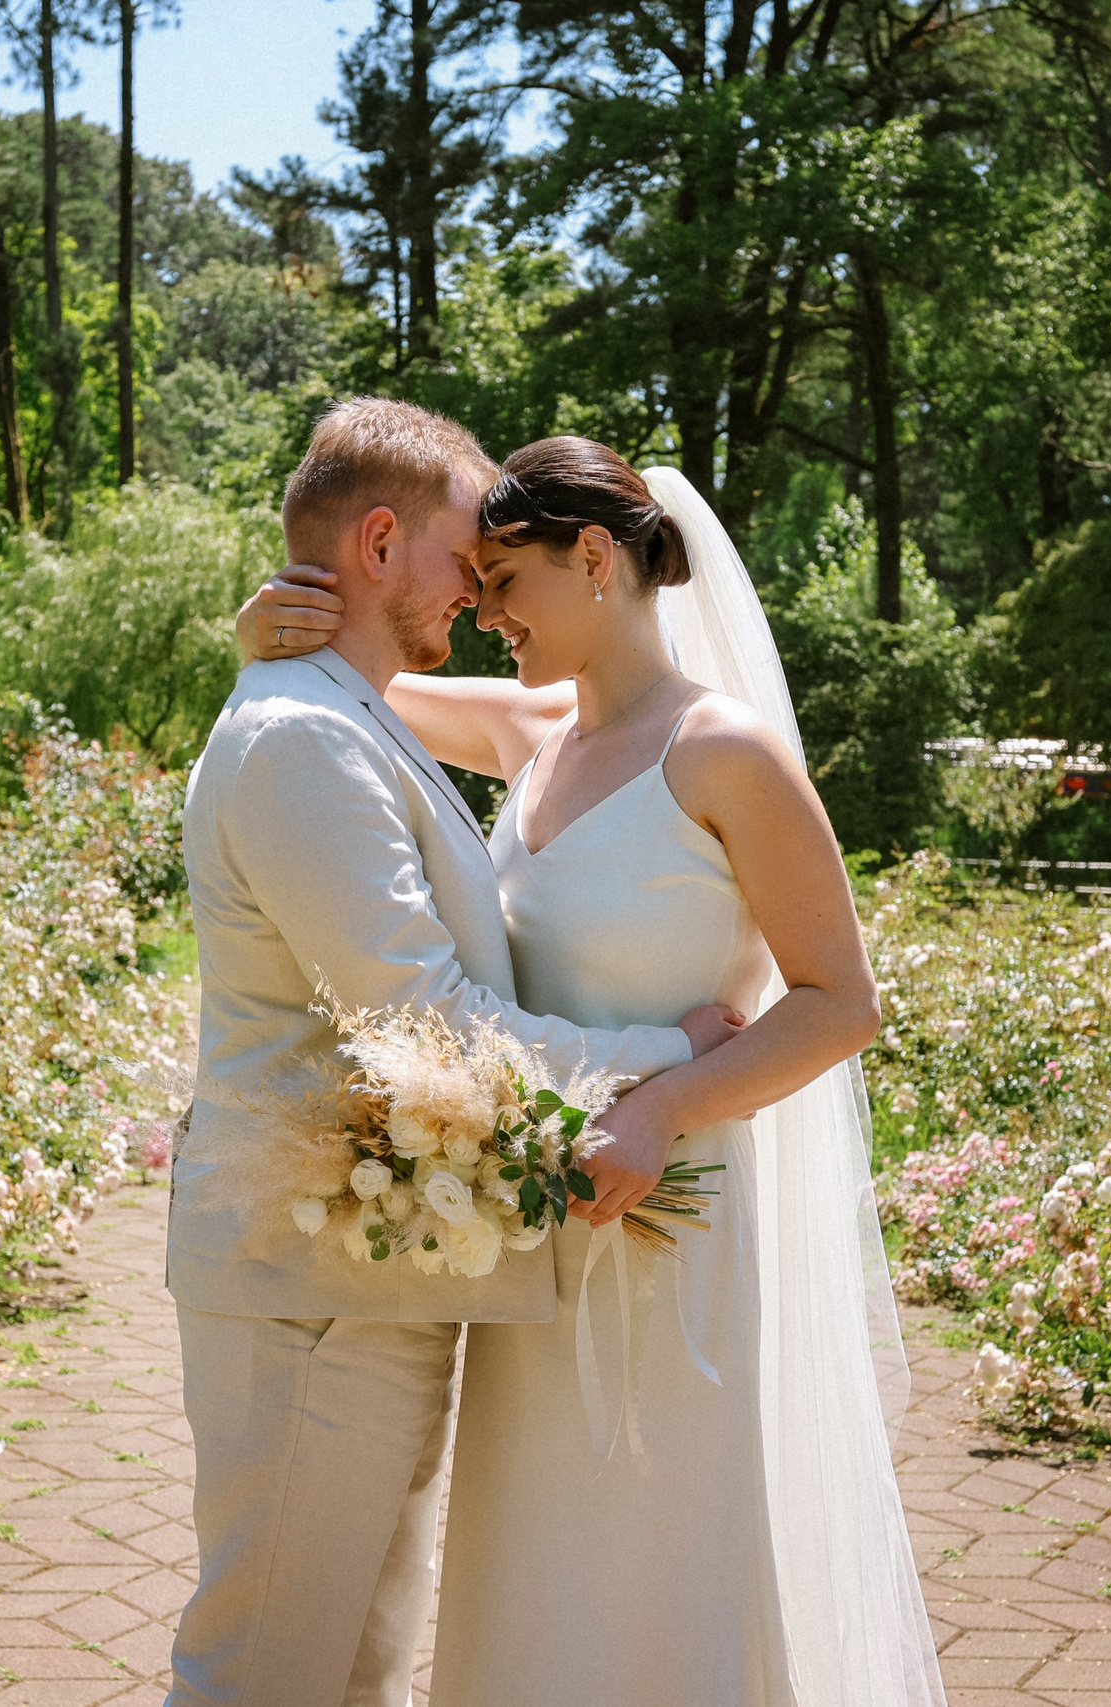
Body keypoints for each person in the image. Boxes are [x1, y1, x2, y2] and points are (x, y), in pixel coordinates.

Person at [234, 436, 946, 1705]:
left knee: (660, 1551)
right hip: (534, 1220)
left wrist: (664, 1102)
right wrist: (264, 621)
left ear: (598, 560)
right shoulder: (537, 733)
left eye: (508, 579)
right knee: (534, 1559)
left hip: (671, 1222)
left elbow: (841, 1003)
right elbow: (346, 686)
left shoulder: (724, 754)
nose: (486, 609)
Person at [169, 399, 746, 1707]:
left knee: (351, 1666)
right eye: (461, 558)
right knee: (263, 1670)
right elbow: (427, 1016)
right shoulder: (306, 736)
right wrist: (674, 1045)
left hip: (371, 1274)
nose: (480, 591)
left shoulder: (346, 713)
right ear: (380, 543)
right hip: (310, 1296)